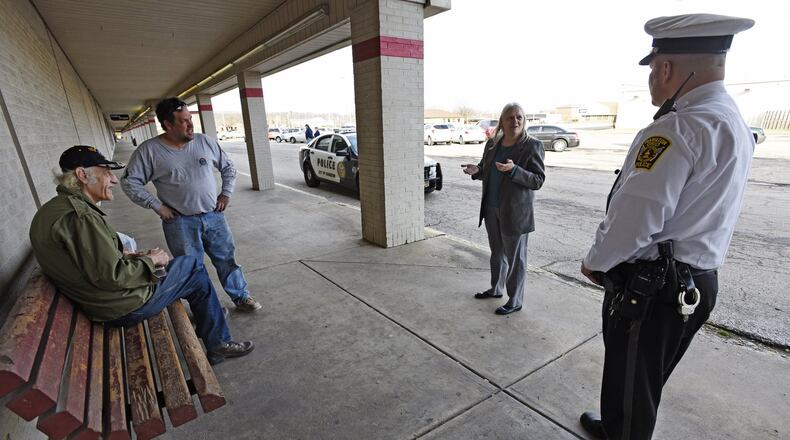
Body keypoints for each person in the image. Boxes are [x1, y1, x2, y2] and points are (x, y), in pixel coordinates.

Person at [579, 14, 755, 440]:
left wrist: (594, 261)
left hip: (653, 288)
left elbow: (635, 219)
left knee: (632, 384)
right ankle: (620, 423)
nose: (652, 81)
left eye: (653, 71)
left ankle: (623, 429)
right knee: (642, 381)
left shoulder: (677, 129)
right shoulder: (730, 119)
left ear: (665, 69)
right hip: (694, 281)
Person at [29, 145, 254, 365]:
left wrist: (127, 255)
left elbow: (91, 261)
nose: (114, 180)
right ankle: (218, 343)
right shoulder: (80, 217)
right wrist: (151, 260)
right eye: (106, 172)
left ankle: (209, 319)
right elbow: (113, 277)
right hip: (122, 306)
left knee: (187, 269)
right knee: (194, 268)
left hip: (102, 301)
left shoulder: (57, 209)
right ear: (82, 175)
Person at [120, 97, 262, 313]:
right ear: (167, 124)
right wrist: (157, 205)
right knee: (192, 269)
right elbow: (130, 181)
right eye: (183, 121)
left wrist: (226, 193)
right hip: (180, 223)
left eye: (190, 119)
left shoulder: (204, 142)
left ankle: (240, 296)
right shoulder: (150, 151)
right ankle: (207, 309)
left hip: (214, 216)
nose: (190, 125)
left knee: (226, 259)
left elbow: (228, 167)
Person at [462, 103, 545, 315]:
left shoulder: (532, 146)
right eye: (510, 117)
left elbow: (537, 180)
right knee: (497, 253)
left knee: (516, 259)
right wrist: (477, 170)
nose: (515, 121)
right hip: (491, 208)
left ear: (524, 120)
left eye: (519, 117)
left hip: (515, 212)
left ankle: (515, 300)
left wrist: (514, 170)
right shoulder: (492, 145)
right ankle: (496, 288)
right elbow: (485, 170)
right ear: (502, 121)